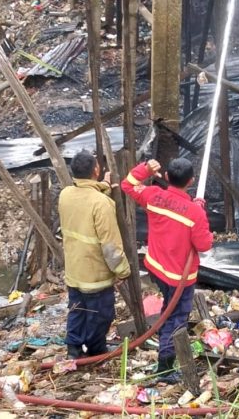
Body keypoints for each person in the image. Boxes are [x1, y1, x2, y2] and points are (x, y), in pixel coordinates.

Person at [121, 157, 213, 381]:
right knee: (177, 317)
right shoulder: (195, 214)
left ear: (168, 177)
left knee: (168, 310)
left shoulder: (154, 195)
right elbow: (204, 245)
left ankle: (165, 341)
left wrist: (144, 168)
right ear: (190, 181)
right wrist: (200, 215)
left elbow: (127, 184)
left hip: (156, 268)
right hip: (179, 276)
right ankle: (165, 365)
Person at [58, 149, 130, 359]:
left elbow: (86, 200)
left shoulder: (66, 194)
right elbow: (110, 247)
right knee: (101, 316)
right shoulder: (102, 204)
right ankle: (96, 351)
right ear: (96, 169)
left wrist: (104, 186)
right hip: (95, 274)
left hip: (74, 271)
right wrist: (123, 271)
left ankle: (73, 348)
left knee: (77, 310)